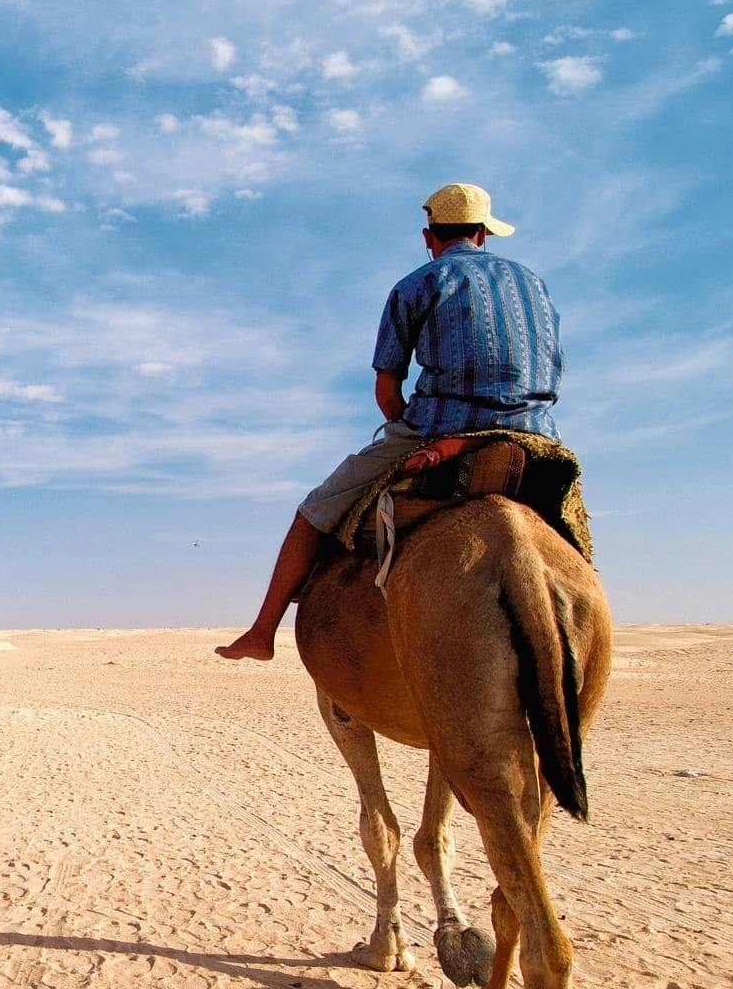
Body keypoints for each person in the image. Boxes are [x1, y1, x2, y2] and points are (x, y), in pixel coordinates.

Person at [217, 183, 565, 660]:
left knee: (314, 511)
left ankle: (261, 633)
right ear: (484, 233)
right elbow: (552, 368)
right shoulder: (534, 284)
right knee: (571, 524)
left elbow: (386, 391)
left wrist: (409, 428)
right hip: (536, 435)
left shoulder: (416, 285)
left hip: (437, 429)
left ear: (429, 236)